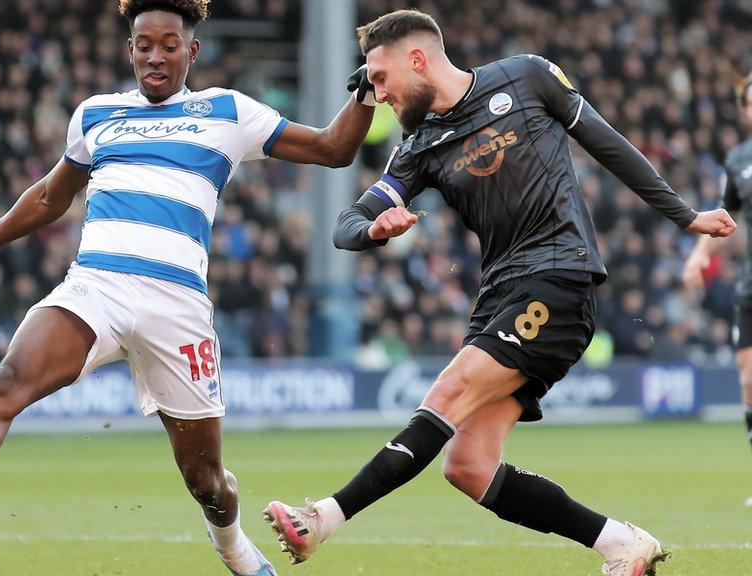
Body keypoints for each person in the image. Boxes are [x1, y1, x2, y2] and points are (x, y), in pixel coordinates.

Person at [0, 1, 376, 575]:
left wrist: (366, 93)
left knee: (205, 481)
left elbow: (334, 149)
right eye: (143, 45)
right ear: (129, 50)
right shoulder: (96, 115)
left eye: (169, 45)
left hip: (177, 307)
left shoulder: (227, 111)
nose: (155, 56)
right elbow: (50, 198)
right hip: (95, 288)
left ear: (193, 50)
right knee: (7, 382)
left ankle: (232, 547)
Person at [263, 9, 735, 576]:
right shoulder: (418, 147)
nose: (378, 94)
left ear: (419, 60)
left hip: (560, 275)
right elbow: (346, 224)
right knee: (468, 466)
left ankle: (323, 519)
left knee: (449, 388)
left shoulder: (527, 77)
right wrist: (372, 230)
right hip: (502, 293)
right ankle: (619, 544)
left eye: (381, 78)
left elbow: (609, 145)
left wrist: (684, 216)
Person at [683, 73, 752, 508]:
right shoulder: (738, 160)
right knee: (749, 381)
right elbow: (725, 215)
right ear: (744, 109)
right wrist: (697, 256)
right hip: (751, 288)